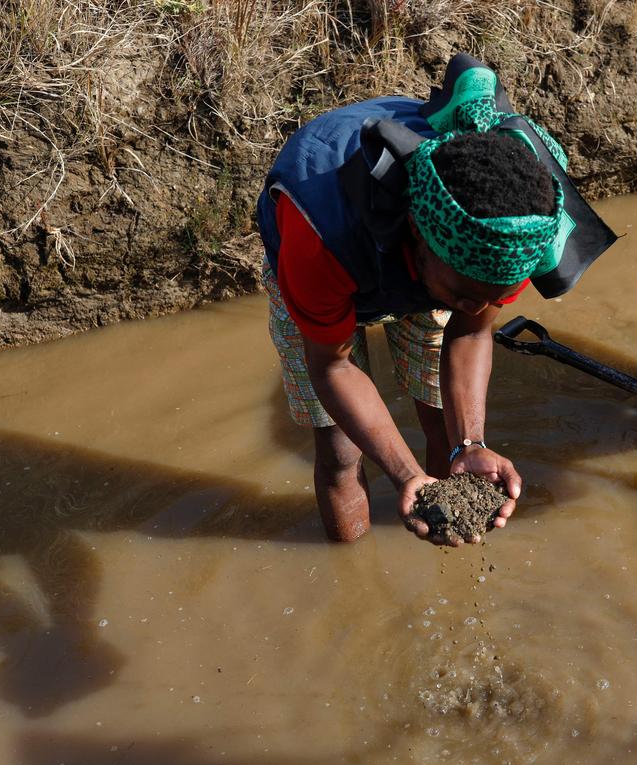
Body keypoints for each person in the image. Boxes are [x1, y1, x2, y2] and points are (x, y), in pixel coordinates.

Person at [256, 54, 615, 543]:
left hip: (427, 269)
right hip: (334, 259)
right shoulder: (319, 236)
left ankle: (443, 532)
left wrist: (471, 444)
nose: (473, 307)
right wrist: (405, 475)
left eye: (491, 296)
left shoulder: (508, 243)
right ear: (417, 236)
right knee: (341, 450)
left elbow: (470, 331)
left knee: (446, 434)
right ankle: (352, 563)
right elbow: (332, 367)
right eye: (464, 294)